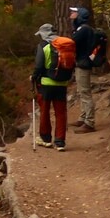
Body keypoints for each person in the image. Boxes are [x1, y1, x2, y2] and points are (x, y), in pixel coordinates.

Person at [33, 23, 70, 151]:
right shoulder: (63, 45)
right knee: (60, 112)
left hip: (46, 84)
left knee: (45, 111)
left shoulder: (43, 46)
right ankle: (60, 142)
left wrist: (33, 77)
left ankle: (46, 139)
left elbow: (38, 65)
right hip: (62, 83)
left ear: (43, 34)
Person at [70, 7, 98, 133]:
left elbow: (72, 42)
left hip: (83, 64)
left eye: (74, 12)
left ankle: (89, 122)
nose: (71, 13)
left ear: (80, 15)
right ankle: (83, 117)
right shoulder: (82, 29)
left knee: (85, 92)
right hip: (81, 62)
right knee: (81, 91)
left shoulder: (83, 30)